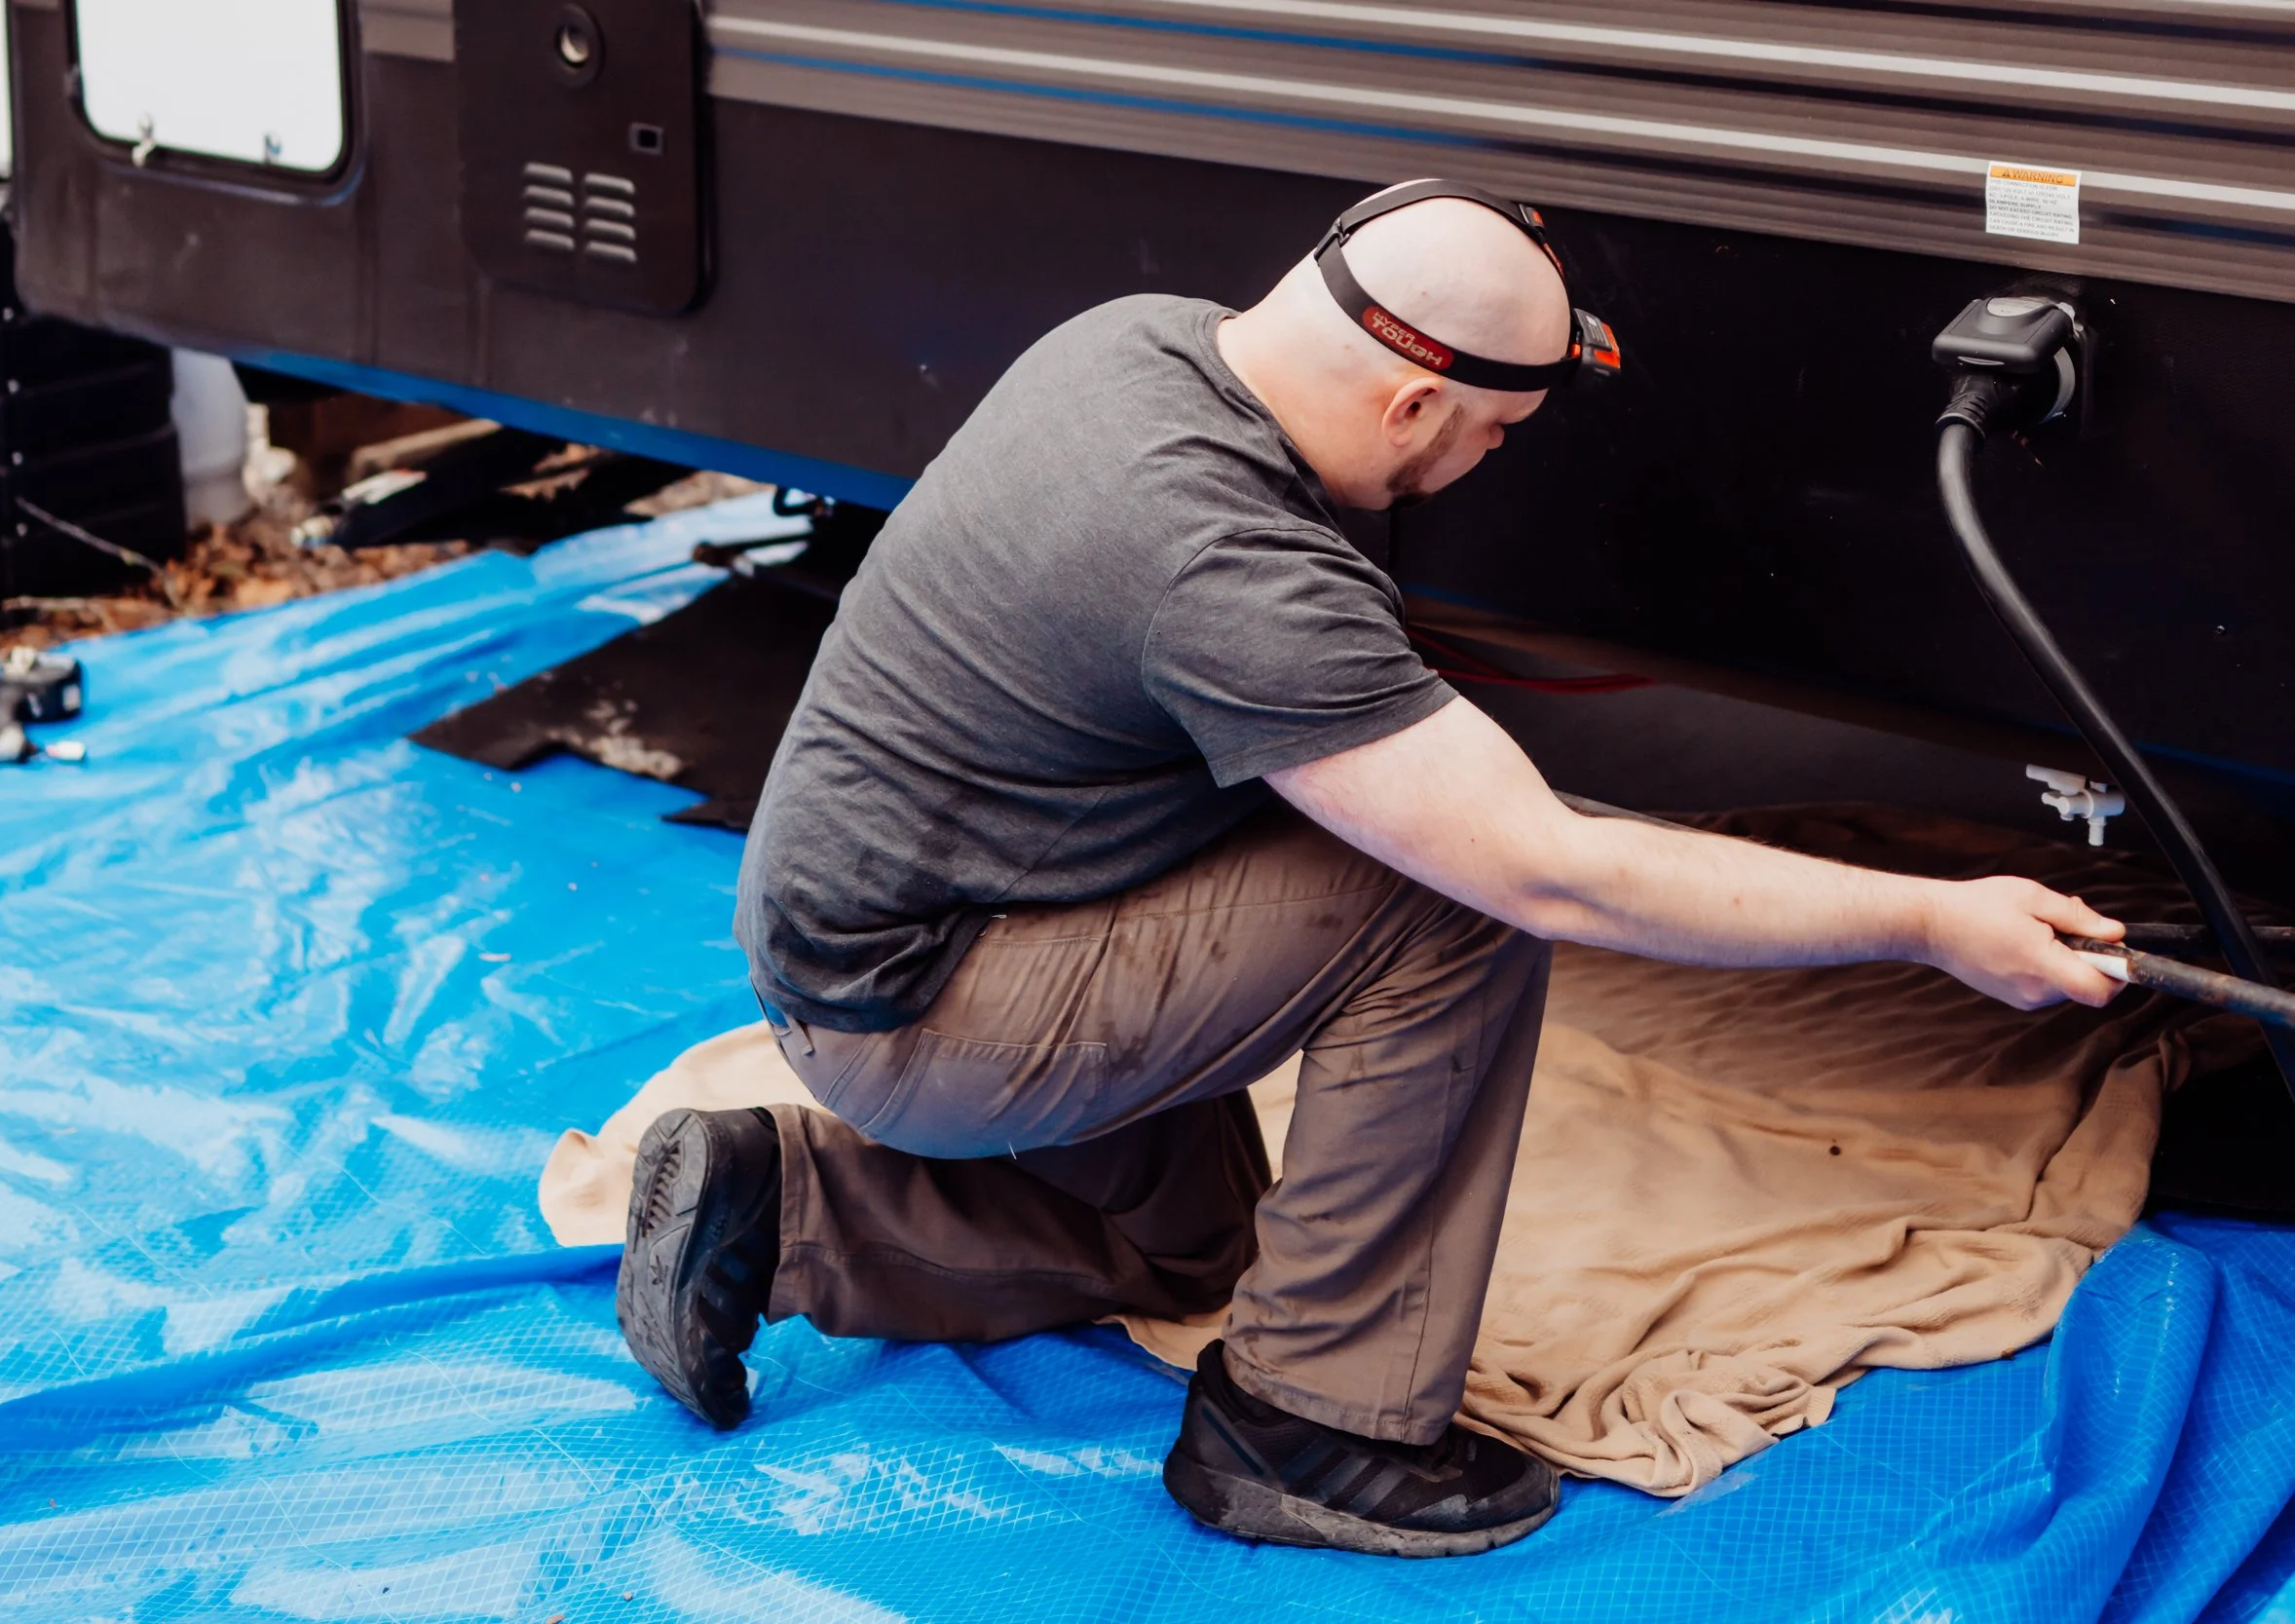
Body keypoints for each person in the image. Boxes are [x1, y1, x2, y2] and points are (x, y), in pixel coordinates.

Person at [613, 179, 2125, 1558]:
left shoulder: (1143, 341)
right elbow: (1555, 873)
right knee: (1457, 894)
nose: (1489, 460)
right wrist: (1929, 919)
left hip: (902, 926)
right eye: (1495, 432)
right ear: (1411, 405)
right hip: (929, 1003)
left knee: (1193, 1240)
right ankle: (1316, 1426)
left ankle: (782, 1204)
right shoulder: (1227, 565)